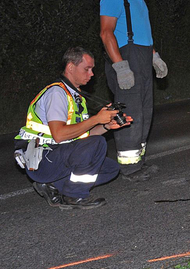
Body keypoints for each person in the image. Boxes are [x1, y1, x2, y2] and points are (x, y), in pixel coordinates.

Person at [15, 47, 128, 209]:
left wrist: (106, 126)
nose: (92, 74)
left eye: (92, 69)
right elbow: (60, 135)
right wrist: (96, 118)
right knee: (97, 144)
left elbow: (82, 135)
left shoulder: (75, 96)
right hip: (42, 158)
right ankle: (74, 195)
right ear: (70, 67)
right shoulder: (57, 93)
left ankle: (52, 185)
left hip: (56, 154)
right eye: (87, 69)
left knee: (111, 169)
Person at [99, 0, 167, 182]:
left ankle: (138, 162)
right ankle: (129, 169)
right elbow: (106, 33)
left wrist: (154, 56)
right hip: (126, 59)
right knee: (130, 115)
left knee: (145, 112)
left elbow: (142, 32)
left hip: (141, 57)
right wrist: (120, 67)